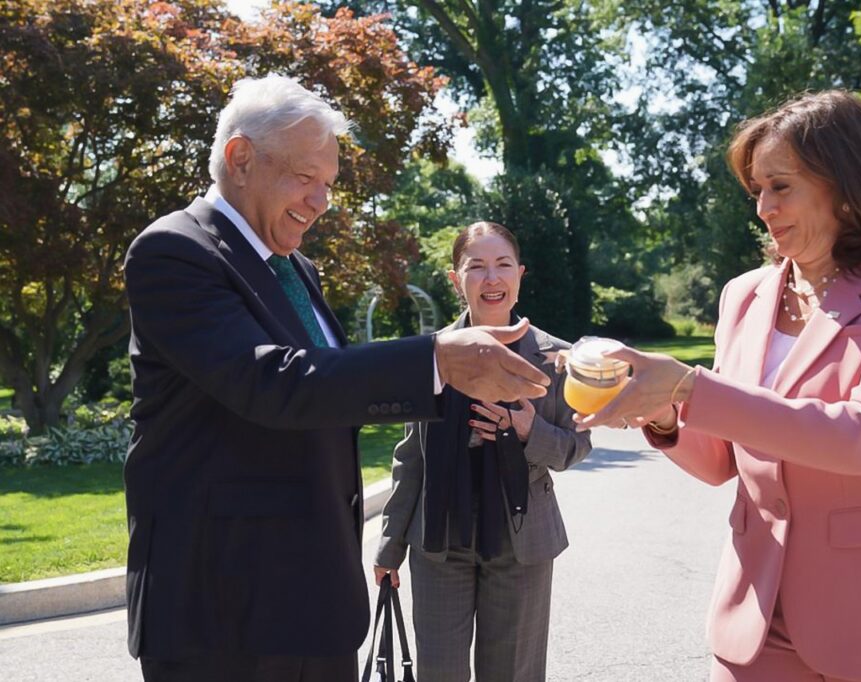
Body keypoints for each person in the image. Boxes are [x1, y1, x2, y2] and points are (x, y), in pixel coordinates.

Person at [577, 91, 861, 680]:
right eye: (756, 190)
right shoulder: (744, 294)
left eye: (780, 187)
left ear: (846, 186)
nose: (763, 207)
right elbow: (719, 460)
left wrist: (688, 387)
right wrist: (661, 413)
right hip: (759, 607)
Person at [123, 75, 550, 682]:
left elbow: (326, 391)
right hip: (222, 617)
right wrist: (436, 360)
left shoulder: (296, 268)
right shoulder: (174, 252)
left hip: (312, 610)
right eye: (306, 178)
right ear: (241, 159)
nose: (322, 201)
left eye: (329, 184)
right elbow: (271, 382)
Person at [373, 221, 592, 682]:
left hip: (522, 544)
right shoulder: (428, 356)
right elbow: (411, 456)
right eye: (477, 267)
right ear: (457, 280)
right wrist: (389, 547)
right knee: (439, 674)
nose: (491, 278)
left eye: (503, 265)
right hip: (438, 545)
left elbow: (576, 446)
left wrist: (531, 430)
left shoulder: (557, 358)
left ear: (520, 275)